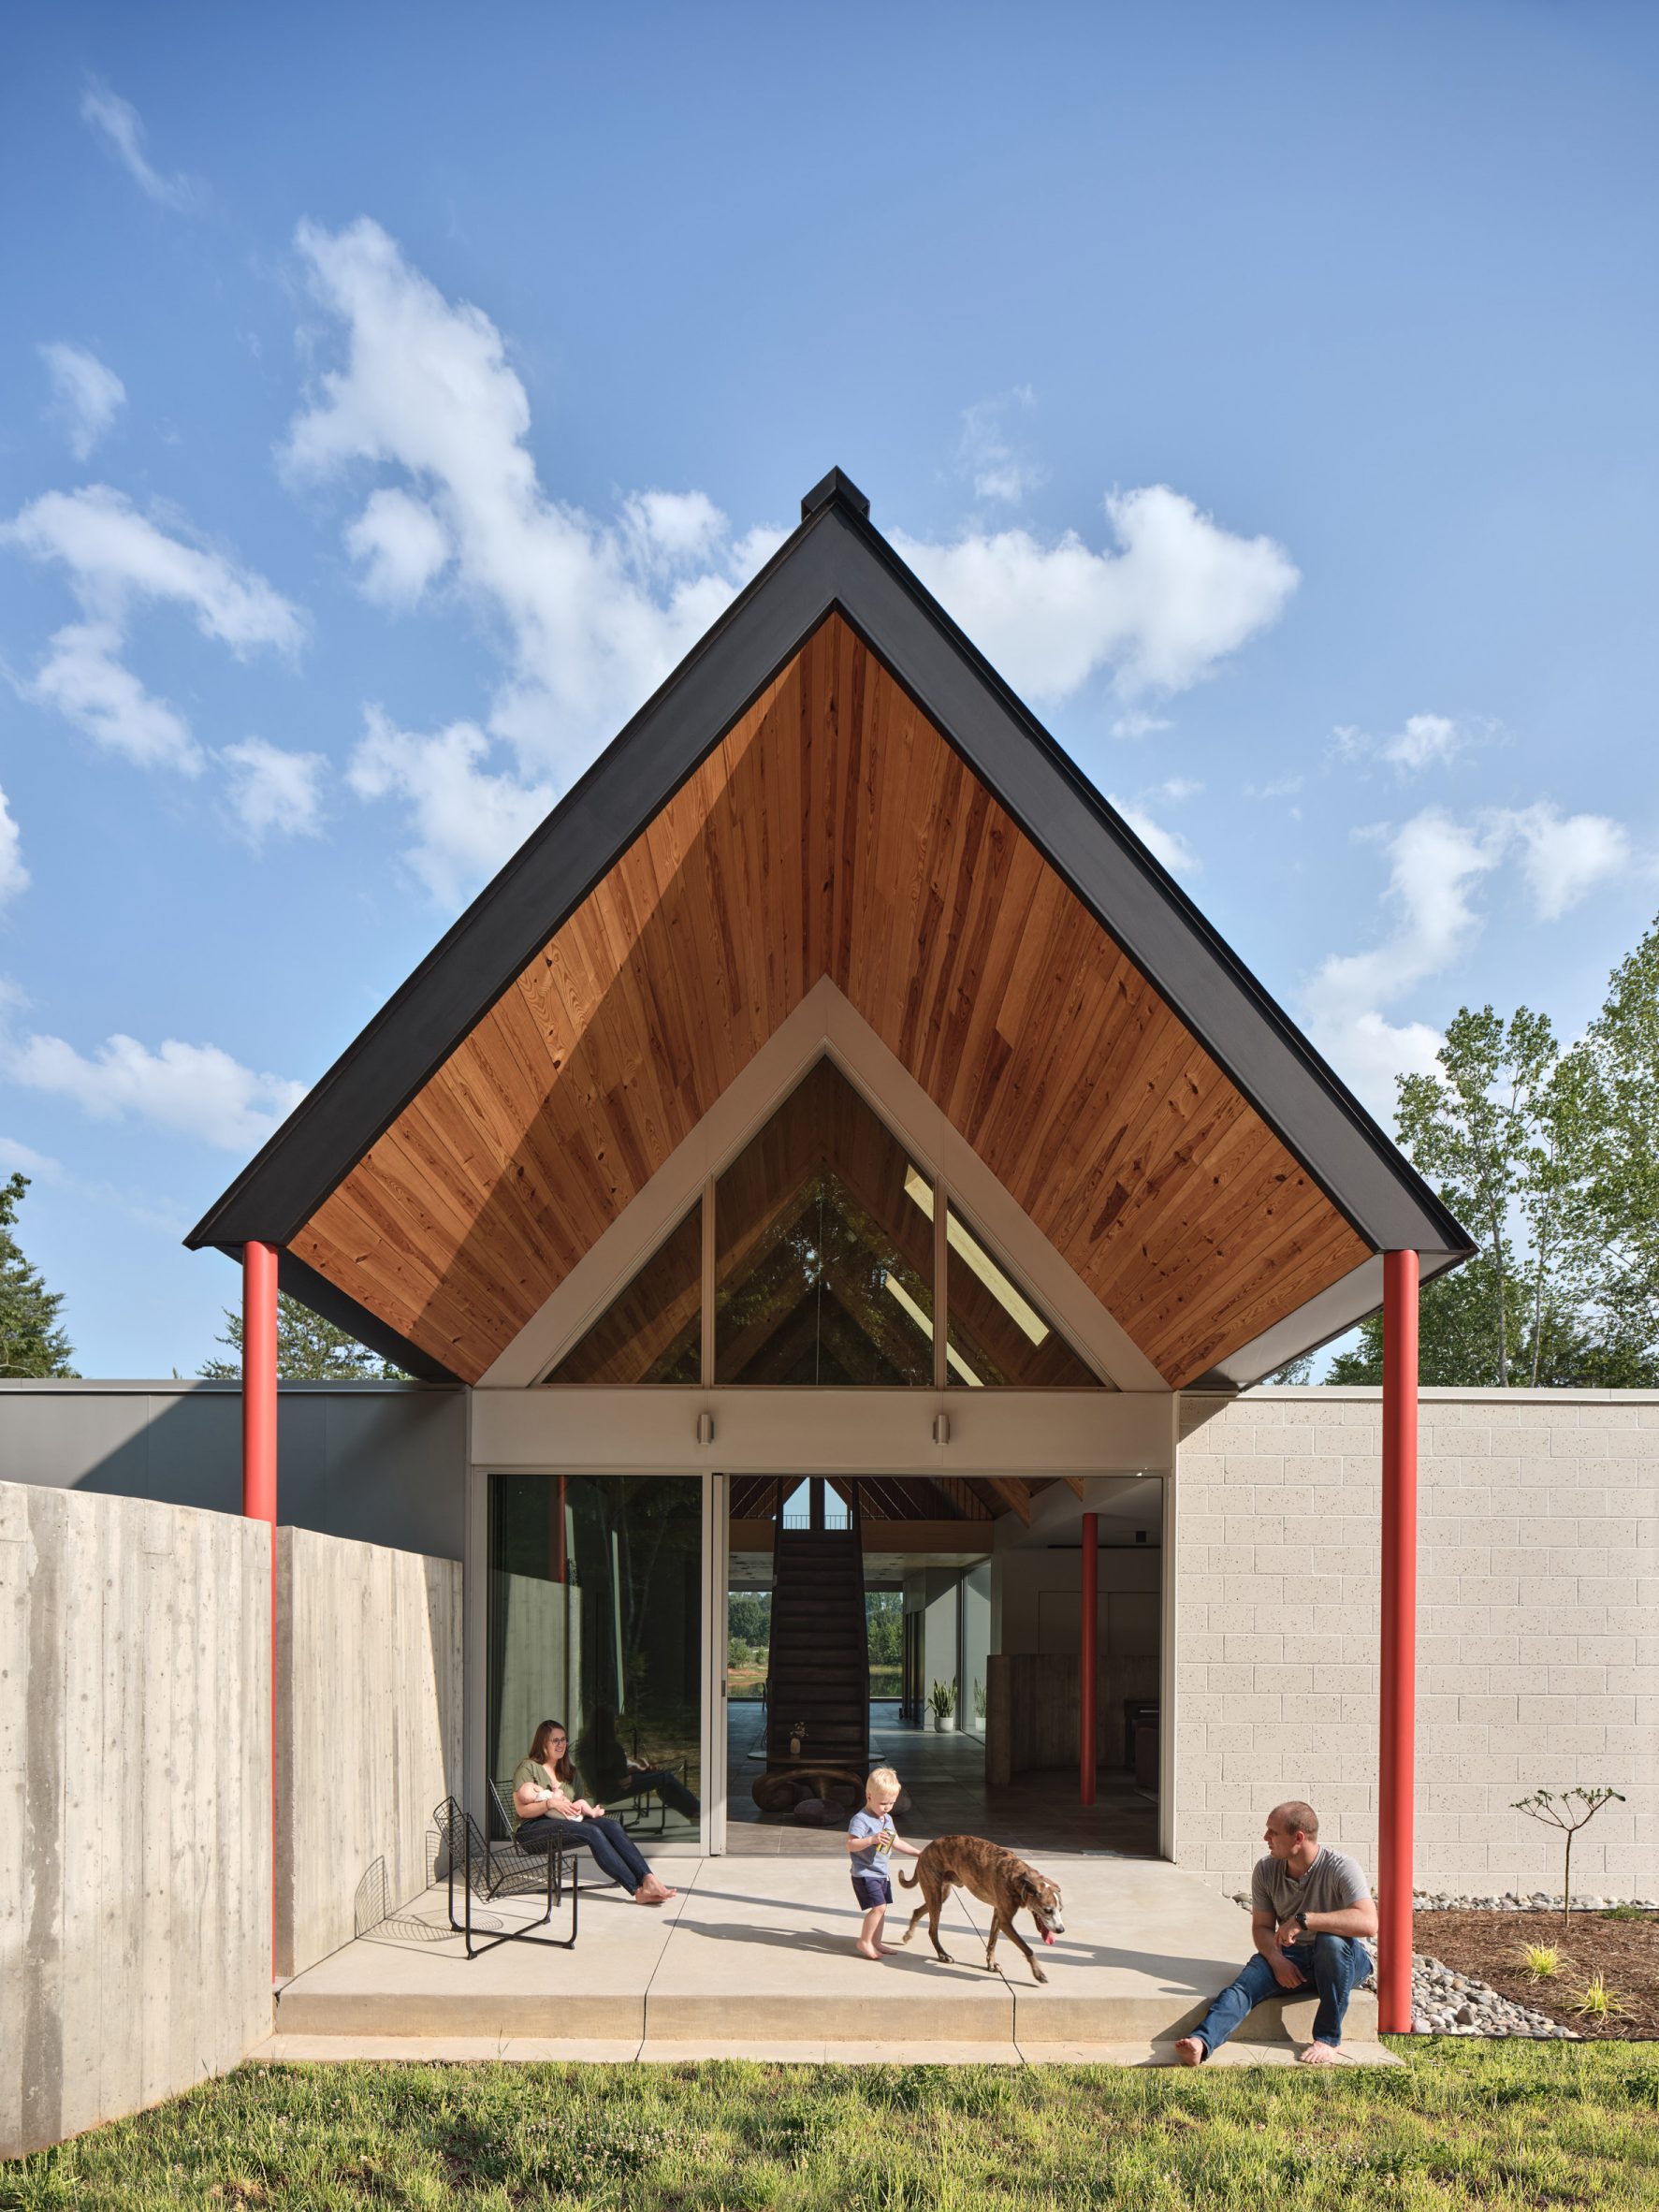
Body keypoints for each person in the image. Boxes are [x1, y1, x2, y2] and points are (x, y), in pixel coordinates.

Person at [1174, 1800, 1377, 2066]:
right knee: (1244, 1986)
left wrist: (1305, 1920)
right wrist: (1276, 1959)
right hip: (1293, 1956)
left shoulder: (1340, 1867)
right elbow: (1261, 1927)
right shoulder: (1266, 1869)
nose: (1265, 1837)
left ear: (1298, 1838)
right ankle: (1201, 2042)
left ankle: (1328, 2039)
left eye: (1273, 1832)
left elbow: (1368, 1923)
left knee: (1330, 1942)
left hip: (1343, 1958)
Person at [510, 1718, 677, 1905]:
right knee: (592, 1831)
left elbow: (575, 1805)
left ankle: (648, 1878)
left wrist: (589, 1811)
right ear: (543, 1743)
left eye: (563, 1739)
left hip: (564, 1822)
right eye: (555, 1740)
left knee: (611, 1826)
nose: (561, 1744)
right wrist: (550, 1804)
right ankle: (637, 1890)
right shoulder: (528, 1767)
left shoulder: (570, 1772)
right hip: (531, 1830)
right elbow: (522, 1811)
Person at [846, 1766, 923, 1959]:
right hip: (865, 1873)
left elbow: (896, 1841)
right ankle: (864, 1941)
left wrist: (918, 1853)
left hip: (881, 1872)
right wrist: (871, 1840)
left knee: (882, 1909)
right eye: (883, 1803)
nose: (887, 1807)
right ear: (869, 1796)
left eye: (891, 1803)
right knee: (878, 1908)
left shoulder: (886, 1818)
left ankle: (876, 1942)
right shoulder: (861, 1820)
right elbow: (851, 1845)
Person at [577, 1705, 701, 1826]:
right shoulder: (613, 1747)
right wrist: (639, 1771)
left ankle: (693, 1813)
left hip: (599, 1791)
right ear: (609, 1724)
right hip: (614, 1791)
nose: (617, 1723)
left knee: (661, 1780)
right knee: (666, 1777)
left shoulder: (585, 1746)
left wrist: (637, 1770)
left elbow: (607, 1772)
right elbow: (625, 1783)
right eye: (615, 1720)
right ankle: (697, 1811)